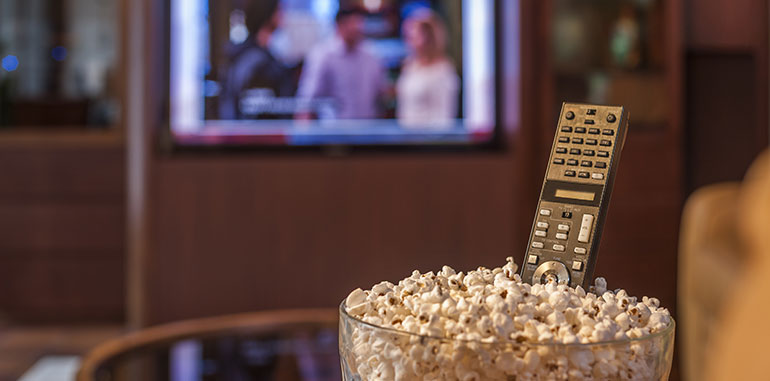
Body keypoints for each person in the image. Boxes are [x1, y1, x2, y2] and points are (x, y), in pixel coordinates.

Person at [296, 7, 388, 120]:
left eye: (359, 22)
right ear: (339, 25)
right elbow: (308, 98)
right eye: (352, 22)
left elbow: (382, 94)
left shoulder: (372, 55)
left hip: (367, 128)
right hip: (333, 130)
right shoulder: (323, 55)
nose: (357, 27)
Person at [219, 0, 294, 119]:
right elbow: (258, 115)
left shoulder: (264, 56)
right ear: (268, 13)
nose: (283, 15)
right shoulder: (256, 62)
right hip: (259, 135)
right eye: (279, 10)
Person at [396, 9, 459, 128]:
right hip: (406, 139)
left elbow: (444, 119)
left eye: (412, 34)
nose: (408, 39)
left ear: (428, 36)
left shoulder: (443, 70)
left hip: (428, 142)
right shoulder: (410, 66)